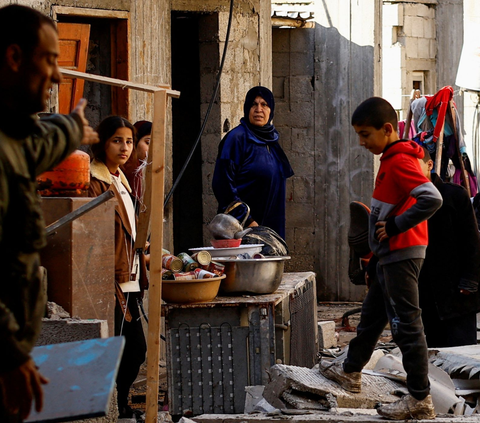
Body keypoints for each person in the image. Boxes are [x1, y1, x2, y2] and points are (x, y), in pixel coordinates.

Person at [0, 5, 99, 422]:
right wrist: (8, 355)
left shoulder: (14, 135)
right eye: (49, 60)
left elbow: (42, 143)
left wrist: (73, 129)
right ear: (14, 58)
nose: (58, 76)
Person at [320, 97, 442, 420]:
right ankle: (350, 370)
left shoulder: (401, 161)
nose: (361, 142)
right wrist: (375, 256)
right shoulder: (390, 158)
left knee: (407, 326)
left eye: (365, 135)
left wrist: (398, 225)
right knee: (373, 316)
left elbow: (432, 198)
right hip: (389, 256)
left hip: (402, 254)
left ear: (387, 130)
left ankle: (420, 399)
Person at [88, 116, 148, 419]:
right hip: (110, 279)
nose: (125, 147)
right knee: (127, 348)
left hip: (130, 276)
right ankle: (111, 406)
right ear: (102, 142)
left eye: (128, 141)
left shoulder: (120, 178)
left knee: (134, 350)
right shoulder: (93, 181)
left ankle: (119, 403)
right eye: (117, 140)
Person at [417, 148, 480, 347]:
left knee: (462, 353)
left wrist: (470, 279)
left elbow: (472, 240)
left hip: (458, 292)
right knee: (436, 354)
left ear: (429, 165)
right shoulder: (404, 199)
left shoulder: (454, 195)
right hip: (425, 291)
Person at [212, 86, 294, 239]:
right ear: (247, 108)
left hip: (270, 230)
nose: (258, 109)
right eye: (253, 104)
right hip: (242, 230)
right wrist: (248, 221)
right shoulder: (236, 139)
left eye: (264, 104)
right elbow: (222, 184)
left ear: (271, 110)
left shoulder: (271, 140)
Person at [121, 120, 151, 202]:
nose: (153, 149)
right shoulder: (130, 168)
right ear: (135, 142)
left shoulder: (150, 170)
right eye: (148, 142)